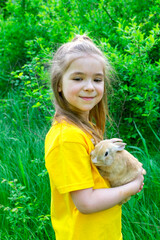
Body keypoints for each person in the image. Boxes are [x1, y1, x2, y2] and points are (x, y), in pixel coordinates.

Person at [45, 34, 145, 240]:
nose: (90, 86)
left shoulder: (86, 128)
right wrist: (132, 186)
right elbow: (86, 202)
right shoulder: (68, 138)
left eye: (97, 79)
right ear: (59, 84)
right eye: (78, 78)